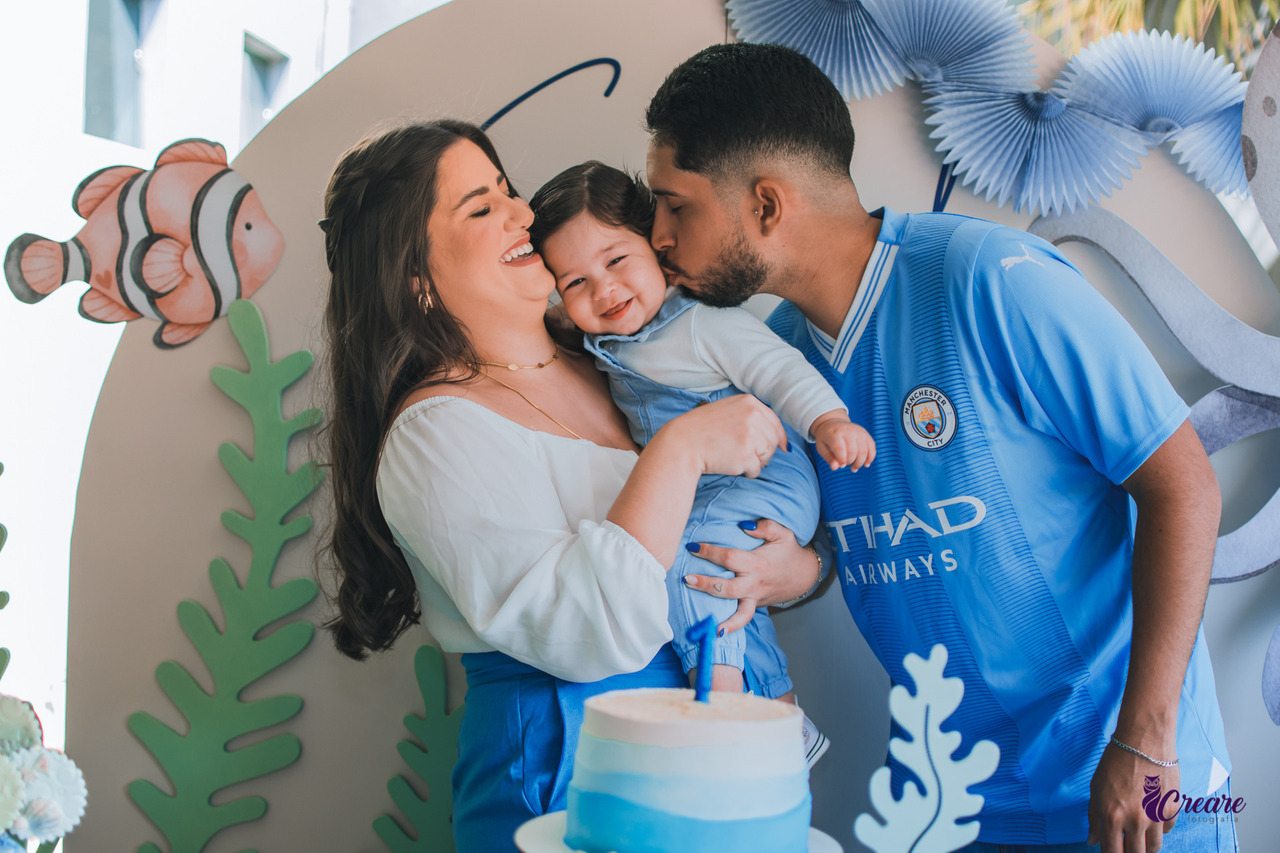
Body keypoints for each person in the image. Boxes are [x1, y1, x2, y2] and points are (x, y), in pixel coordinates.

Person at [644, 43, 1232, 853]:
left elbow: (1185, 487)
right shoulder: (776, 368)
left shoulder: (994, 280)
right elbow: (873, 540)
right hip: (951, 805)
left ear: (766, 206)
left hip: (1134, 793)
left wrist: (1145, 741)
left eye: (674, 205)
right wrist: (800, 569)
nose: (657, 236)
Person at [318, 118, 822, 852]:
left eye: (507, 191)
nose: (523, 213)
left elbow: (730, 524)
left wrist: (800, 569)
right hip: (570, 760)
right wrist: (679, 450)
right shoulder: (435, 433)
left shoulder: (618, 357)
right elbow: (582, 633)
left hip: (704, 745)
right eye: (482, 207)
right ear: (416, 279)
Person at [529, 161, 872, 758]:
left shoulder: (698, 324)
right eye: (575, 282)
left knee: (686, 557)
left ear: (657, 248)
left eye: (616, 261)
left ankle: (722, 703)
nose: (604, 290)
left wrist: (829, 421)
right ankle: (777, 714)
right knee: (705, 570)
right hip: (710, 484)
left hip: (763, 471)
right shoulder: (601, 341)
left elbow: (780, 368)